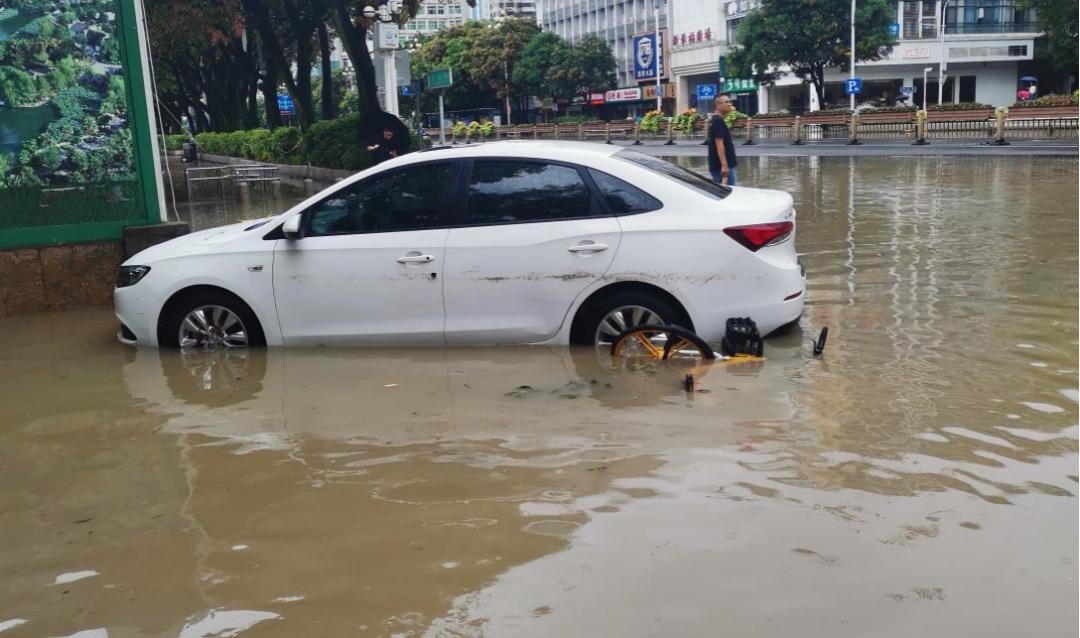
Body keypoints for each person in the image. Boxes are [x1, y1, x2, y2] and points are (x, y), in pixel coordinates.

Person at [707, 94, 737, 186]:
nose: (729, 104)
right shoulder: (717, 121)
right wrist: (724, 166)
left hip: (723, 165)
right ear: (718, 105)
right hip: (722, 167)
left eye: (730, 102)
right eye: (727, 102)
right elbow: (719, 144)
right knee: (729, 195)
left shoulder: (717, 120)